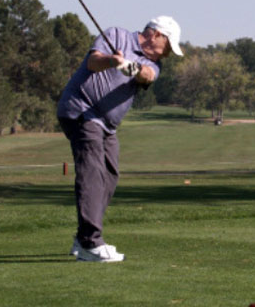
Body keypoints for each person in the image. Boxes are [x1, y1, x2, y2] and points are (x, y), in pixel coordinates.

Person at [57, 16, 183, 262]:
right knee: (92, 172)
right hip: (82, 110)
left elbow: (147, 76)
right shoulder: (116, 35)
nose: (167, 53)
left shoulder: (153, 63)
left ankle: (83, 237)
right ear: (156, 34)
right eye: (168, 46)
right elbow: (93, 62)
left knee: (110, 176)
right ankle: (90, 243)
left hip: (107, 125)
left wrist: (128, 66)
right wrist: (110, 61)